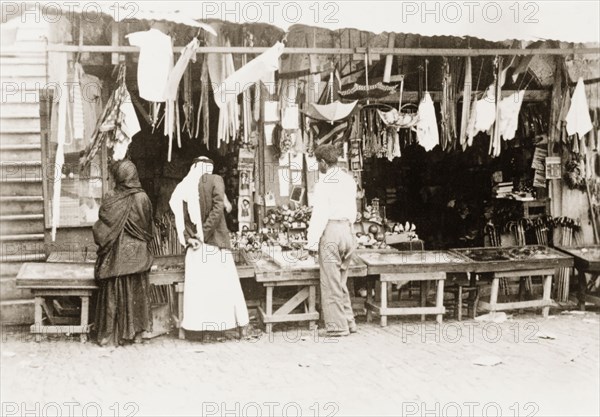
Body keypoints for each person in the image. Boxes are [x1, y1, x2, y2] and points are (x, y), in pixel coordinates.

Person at [169, 156, 249, 335]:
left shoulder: (184, 185)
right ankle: (225, 327)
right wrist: (203, 234)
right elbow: (219, 207)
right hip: (215, 243)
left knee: (201, 290)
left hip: (197, 248)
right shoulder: (215, 179)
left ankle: (202, 330)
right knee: (223, 287)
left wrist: (189, 238)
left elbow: (178, 215)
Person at [93, 160, 153, 346]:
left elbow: (102, 227)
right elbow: (147, 228)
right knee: (137, 293)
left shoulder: (111, 197)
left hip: (114, 259)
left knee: (112, 293)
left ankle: (108, 336)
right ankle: (137, 335)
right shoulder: (142, 198)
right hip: (137, 258)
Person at [306, 144, 358, 337]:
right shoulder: (348, 181)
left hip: (332, 232)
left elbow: (319, 216)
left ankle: (338, 326)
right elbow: (353, 210)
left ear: (323, 162)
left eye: (317, 162)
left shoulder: (323, 184)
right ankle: (349, 321)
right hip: (348, 230)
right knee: (341, 280)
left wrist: (311, 243)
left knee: (330, 282)